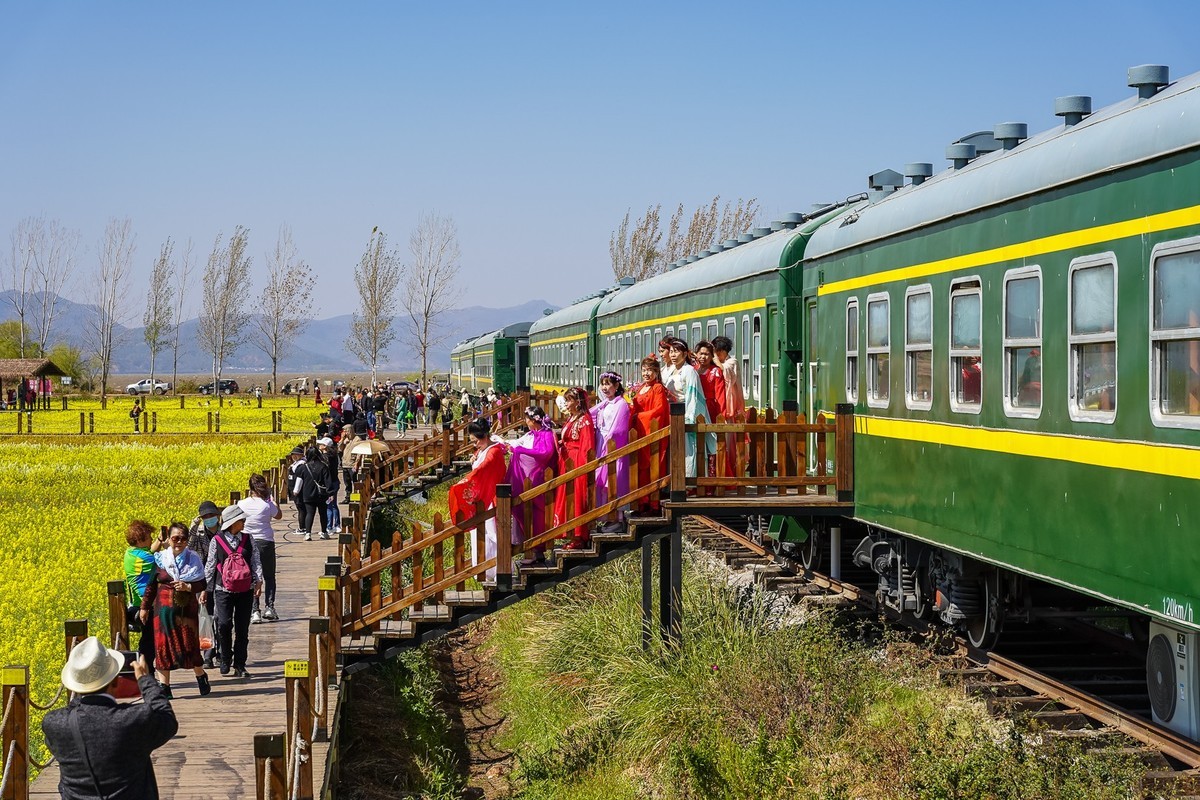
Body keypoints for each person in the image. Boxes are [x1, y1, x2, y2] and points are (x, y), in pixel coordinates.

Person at [42, 638, 177, 800]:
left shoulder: (54, 724)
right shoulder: (132, 719)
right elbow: (166, 718)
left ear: (74, 684)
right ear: (115, 680)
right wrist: (145, 679)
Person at [138, 522, 209, 699]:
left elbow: (203, 583)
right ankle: (165, 687)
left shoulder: (194, 559)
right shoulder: (160, 559)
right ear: (168, 539)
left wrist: (188, 586)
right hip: (163, 611)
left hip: (187, 611)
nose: (179, 542)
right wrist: (144, 607)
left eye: (183, 539)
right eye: (175, 538)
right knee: (163, 646)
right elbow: (151, 585)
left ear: (187, 541)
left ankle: (201, 676)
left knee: (189, 645)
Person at [203, 504, 263, 679]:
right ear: (233, 522)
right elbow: (210, 566)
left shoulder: (248, 539)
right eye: (241, 520)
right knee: (223, 624)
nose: (244, 522)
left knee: (242, 628)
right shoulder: (217, 540)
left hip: (246, 589)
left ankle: (240, 664)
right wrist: (206, 589)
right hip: (223, 589)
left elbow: (255, 560)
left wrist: (259, 581)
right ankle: (225, 657)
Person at [447, 417, 507, 579]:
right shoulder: (484, 449)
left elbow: (481, 472)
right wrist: (475, 457)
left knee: (491, 534)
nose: (474, 444)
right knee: (481, 534)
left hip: (490, 499)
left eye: (475, 441)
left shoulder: (493, 453)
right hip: (482, 499)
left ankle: (495, 570)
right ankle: (484, 570)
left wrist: (463, 483)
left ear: (484, 436)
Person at [507, 405, 557, 565]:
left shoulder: (546, 434)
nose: (525, 422)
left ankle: (536, 550)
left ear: (533, 420)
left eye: (527, 419)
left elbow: (545, 453)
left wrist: (521, 451)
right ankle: (535, 551)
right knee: (528, 513)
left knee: (536, 515)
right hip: (531, 479)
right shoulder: (535, 433)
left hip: (538, 478)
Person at [553, 387, 596, 549]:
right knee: (568, 496)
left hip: (576, 461)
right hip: (567, 461)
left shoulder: (584, 420)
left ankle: (578, 535)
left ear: (578, 402)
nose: (567, 403)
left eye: (570, 400)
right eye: (567, 400)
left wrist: (583, 467)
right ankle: (570, 533)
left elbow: (587, 445)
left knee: (576, 497)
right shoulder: (573, 418)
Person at [239, 473, 282, 623]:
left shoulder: (241, 503)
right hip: (265, 542)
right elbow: (279, 516)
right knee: (269, 576)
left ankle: (254, 611)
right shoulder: (267, 504)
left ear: (250, 488)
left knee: (251, 576)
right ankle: (269, 607)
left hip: (247, 542)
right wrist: (274, 502)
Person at [591, 371, 630, 532]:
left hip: (613, 447)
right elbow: (591, 415)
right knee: (602, 482)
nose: (605, 387)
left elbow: (618, 428)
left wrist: (608, 441)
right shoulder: (605, 403)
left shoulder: (621, 404)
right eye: (603, 384)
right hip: (602, 444)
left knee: (613, 480)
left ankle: (617, 518)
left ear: (616, 386)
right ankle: (607, 517)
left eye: (608, 384)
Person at [630, 357, 669, 514]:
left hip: (650, 431)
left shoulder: (658, 388)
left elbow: (659, 410)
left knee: (652, 466)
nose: (646, 373)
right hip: (639, 433)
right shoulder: (641, 388)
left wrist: (638, 417)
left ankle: (652, 502)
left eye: (650, 370)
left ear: (656, 371)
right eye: (644, 370)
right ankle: (641, 501)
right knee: (640, 468)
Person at [661, 338, 705, 478]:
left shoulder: (689, 371)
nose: (673, 355)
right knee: (674, 449)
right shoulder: (671, 371)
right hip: (672, 414)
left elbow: (692, 396)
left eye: (677, 352)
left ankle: (688, 480)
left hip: (684, 413)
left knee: (687, 449)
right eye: (672, 352)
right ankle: (674, 479)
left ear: (685, 354)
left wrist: (689, 417)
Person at [124, 520, 165, 670]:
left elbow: (150, 550)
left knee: (149, 640)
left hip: (142, 603)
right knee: (149, 642)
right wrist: (167, 545)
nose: (150, 539)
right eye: (149, 537)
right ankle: (147, 673)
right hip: (145, 606)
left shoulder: (131, 553)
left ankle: (147, 671)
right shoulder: (144, 559)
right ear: (140, 539)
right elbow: (164, 561)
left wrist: (159, 541)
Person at [186, 500, 221, 666]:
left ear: (217, 515)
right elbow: (189, 547)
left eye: (211, 515)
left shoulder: (224, 531)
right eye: (205, 516)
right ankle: (208, 654)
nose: (209, 518)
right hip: (202, 579)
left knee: (221, 617)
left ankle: (222, 651)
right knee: (206, 615)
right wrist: (193, 526)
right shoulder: (199, 533)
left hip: (222, 577)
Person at [711, 335, 746, 476]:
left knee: (730, 441)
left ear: (725, 351)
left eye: (719, 352)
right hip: (719, 404)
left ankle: (732, 469)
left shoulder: (732, 362)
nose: (718, 355)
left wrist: (713, 359)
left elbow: (725, 372)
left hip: (732, 405)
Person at [694, 340, 727, 478]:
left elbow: (720, 396)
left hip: (711, 408)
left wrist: (722, 416)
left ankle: (713, 478)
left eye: (707, 354)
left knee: (712, 445)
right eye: (701, 353)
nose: (704, 357)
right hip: (696, 408)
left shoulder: (716, 372)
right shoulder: (693, 370)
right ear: (696, 354)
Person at [295, 445, 331, 541]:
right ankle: (324, 532)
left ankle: (308, 533)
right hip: (321, 494)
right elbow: (328, 481)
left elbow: (299, 481)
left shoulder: (303, 467)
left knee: (309, 513)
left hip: (307, 494)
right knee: (323, 513)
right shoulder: (323, 466)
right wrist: (330, 492)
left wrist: (296, 491)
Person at [317, 437, 342, 534]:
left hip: (328, 483)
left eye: (321, 444)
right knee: (334, 504)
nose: (319, 446)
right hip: (335, 481)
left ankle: (329, 527)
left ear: (325, 446)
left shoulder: (324, 457)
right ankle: (337, 525)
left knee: (328, 505)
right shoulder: (334, 455)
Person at [339, 424, 358, 503]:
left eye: (346, 431)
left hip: (352, 463)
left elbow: (359, 453)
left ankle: (355, 498)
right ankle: (348, 497)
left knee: (355, 482)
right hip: (345, 463)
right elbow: (339, 449)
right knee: (347, 482)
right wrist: (342, 440)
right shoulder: (346, 440)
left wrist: (357, 463)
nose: (345, 433)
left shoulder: (357, 439)